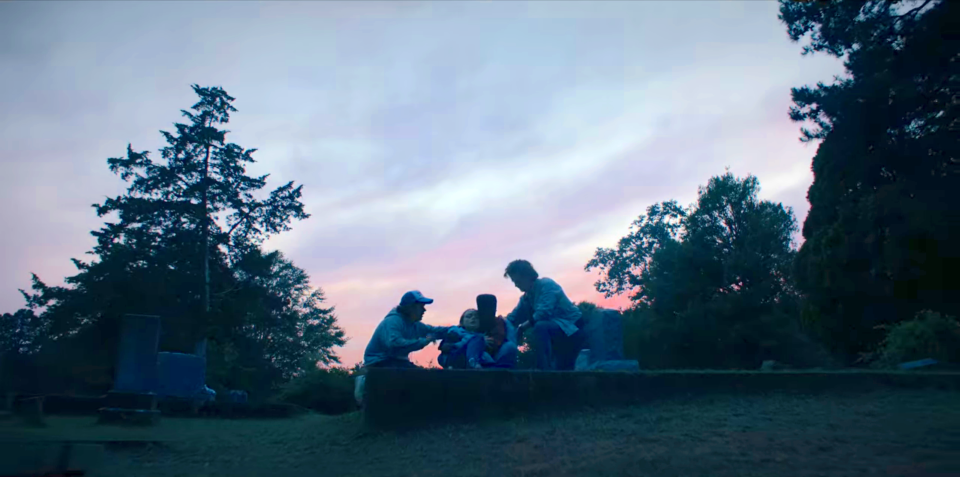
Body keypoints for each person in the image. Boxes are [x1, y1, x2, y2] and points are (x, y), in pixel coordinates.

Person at [503, 260, 584, 370]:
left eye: (517, 280)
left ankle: (544, 371)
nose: (516, 284)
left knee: (541, 326)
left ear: (527, 275)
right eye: (514, 281)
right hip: (554, 334)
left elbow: (543, 313)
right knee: (563, 369)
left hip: (572, 329)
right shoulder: (525, 298)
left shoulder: (547, 284)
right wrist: (498, 323)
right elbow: (512, 318)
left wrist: (522, 327)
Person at [363, 290, 449, 368]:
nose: (424, 310)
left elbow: (433, 330)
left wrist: (455, 329)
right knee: (419, 378)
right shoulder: (393, 321)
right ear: (410, 307)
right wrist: (423, 341)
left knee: (423, 377)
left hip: (397, 362)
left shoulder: (414, 324)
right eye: (421, 306)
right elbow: (395, 345)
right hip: (379, 363)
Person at [476, 293, 518, 368]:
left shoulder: (503, 322)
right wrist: (480, 340)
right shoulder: (474, 321)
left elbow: (511, 341)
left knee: (510, 346)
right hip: (481, 357)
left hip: (499, 354)